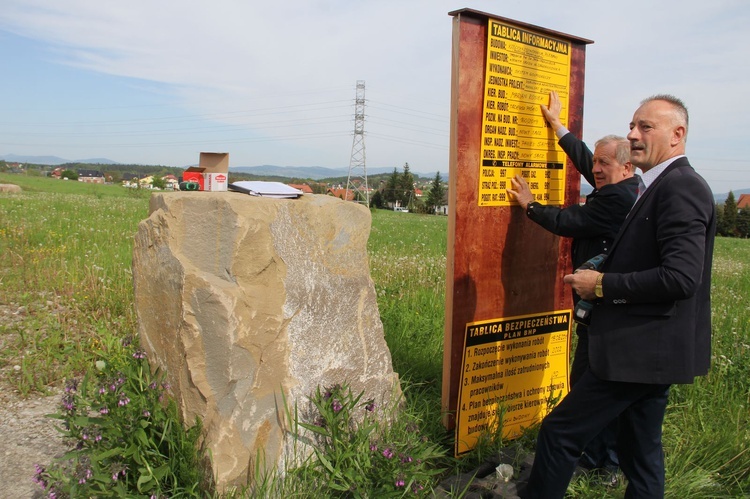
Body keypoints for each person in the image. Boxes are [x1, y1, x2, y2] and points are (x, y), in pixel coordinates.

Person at [520, 94, 716, 499]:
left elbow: (681, 277)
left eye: (646, 127)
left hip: (636, 350)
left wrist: (601, 284)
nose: (633, 134)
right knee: (640, 453)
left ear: (677, 135)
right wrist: (560, 129)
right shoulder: (649, 184)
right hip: (652, 352)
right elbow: (595, 167)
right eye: (633, 125)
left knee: (559, 432)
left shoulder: (681, 188)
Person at [506, 90, 638, 480]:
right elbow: (586, 161)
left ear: (626, 167)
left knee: (592, 386)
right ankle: (601, 458)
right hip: (609, 306)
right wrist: (558, 126)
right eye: (595, 161)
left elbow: (569, 223)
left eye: (605, 163)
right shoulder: (626, 184)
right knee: (600, 385)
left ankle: (600, 462)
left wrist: (530, 204)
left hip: (606, 306)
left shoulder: (616, 200)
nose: (595, 169)